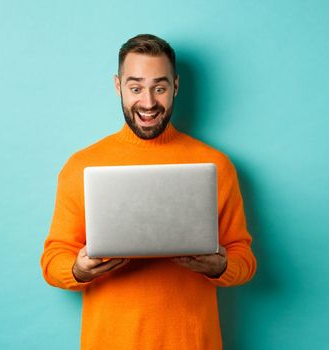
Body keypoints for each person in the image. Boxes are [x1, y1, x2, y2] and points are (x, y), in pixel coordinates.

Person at [40, 34, 257, 349]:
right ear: (118, 87)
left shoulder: (216, 165)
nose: (148, 102)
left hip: (192, 342)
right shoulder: (81, 166)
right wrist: (78, 269)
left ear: (176, 87)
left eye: (159, 87)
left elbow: (244, 258)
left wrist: (221, 266)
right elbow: (52, 260)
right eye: (136, 87)